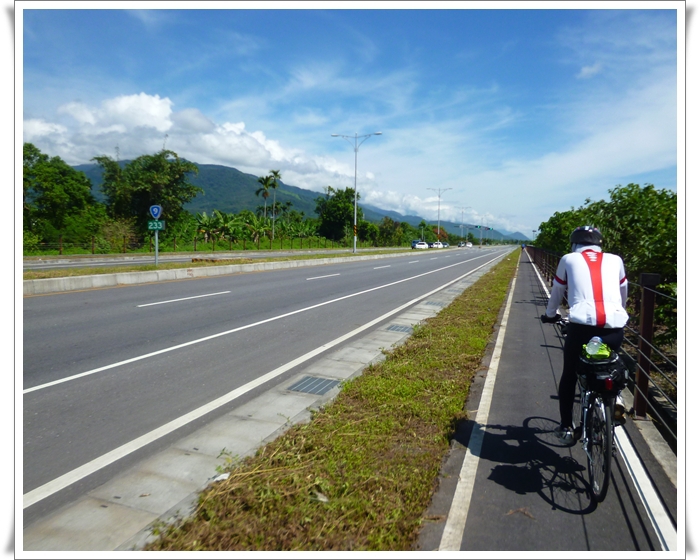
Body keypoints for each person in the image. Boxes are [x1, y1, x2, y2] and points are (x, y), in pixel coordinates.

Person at [540, 226, 629, 444]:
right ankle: (616, 402)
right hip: (614, 327)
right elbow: (623, 291)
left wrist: (551, 314)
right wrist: (619, 311)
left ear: (574, 244)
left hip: (581, 329)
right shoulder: (615, 260)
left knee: (570, 374)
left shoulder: (568, 259)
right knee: (610, 366)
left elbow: (558, 290)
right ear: (599, 244)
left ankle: (566, 427)